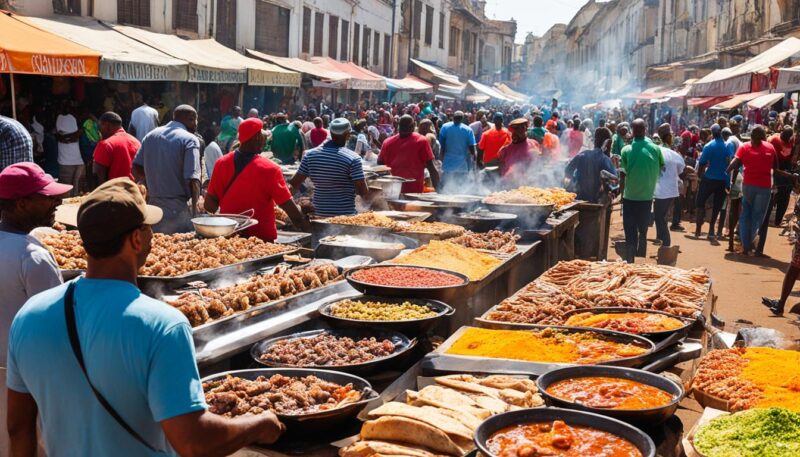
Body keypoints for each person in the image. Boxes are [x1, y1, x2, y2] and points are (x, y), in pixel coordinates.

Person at [7, 178, 285, 456]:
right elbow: (194, 441)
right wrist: (259, 424)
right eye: (148, 228)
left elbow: (18, 429)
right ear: (137, 239)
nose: (152, 235)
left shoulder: (28, 317)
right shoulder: (163, 325)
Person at [0, 163, 71, 456]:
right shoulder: (32, 256)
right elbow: (56, 329)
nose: (57, 202)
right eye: (48, 197)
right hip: (28, 380)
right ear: (21, 203)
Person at [205, 118, 309, 241]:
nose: (264, 142)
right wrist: (306, 227)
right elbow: (288, 206)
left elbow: (209, 204)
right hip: (261, 239)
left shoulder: (221, 163)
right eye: (262, 137)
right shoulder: (270, 168)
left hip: (229, 237)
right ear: (257, 138)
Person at [727, 125, 796, 256]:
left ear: (751, 136)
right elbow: (775, 168)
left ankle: (746, 246)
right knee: (757, 217)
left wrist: (727, 176)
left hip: (748, 186)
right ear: (763, 137)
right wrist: (789, 176)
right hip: (764, 187)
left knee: (745, 214)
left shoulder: (745, 147)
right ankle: (749, 245)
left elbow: (734, 164)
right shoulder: (770, 147)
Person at [132, 105, 201, 234]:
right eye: (195, 120)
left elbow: (136, 167)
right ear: (190, 119)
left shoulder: (150, 136)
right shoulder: (190, 140)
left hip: (153, 208)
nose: (196, 124)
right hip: (177, 211)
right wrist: (195, 214)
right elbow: (193, 180)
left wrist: (148, 183)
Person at [289, 118, 370, 217]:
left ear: (330, 133)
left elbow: (294, 184)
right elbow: (363, 192)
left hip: (318, 215)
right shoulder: (353, 158)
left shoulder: (309, 155)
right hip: (345, 218)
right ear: (348, 135)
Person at [619, 119, 664, 263]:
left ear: (632, 131)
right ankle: (640, 257)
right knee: (642, 228)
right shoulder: (656, 149)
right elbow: (662, 166)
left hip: (630, 197)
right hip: (646, 196)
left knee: (630, 229)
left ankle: (631, 259)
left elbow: (623, 174)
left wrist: (620, 194)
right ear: (645, 129)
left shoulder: (626, 150)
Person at [378, 115, 439, 194]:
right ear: (413, 126)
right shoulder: (421, 141)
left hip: (392, 191)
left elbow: (380, 164)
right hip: (414, 193)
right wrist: (439, 191)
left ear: (398, 126)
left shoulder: (387, 142)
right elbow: (431, 168)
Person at [695, 124, 733, 240]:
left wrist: (699, 178)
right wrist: (729, 180)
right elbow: (731, 161)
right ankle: (712, 230)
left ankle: (698, 229)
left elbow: (702, 164)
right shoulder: (728, 145)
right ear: (721, 133)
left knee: (700, 202)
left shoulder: (709, 145)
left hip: (709, 178)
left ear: (712, 133)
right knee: (717, 205)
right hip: (722, 179)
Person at [653, 123, 686, 247]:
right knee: (662, 217)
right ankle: (662, 242)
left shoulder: (656, 151)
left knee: (660, 218)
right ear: (668, 137)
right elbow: (681, 172)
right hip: (671, 191)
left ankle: (666, 244)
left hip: (660, 191)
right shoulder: (674, 154)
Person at [564, 127, 616, 204]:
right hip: (597, 203)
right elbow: (614, 183)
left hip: (578, 200)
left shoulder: (583, 154)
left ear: (595, 141)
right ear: (608, 143)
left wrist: (573, 183)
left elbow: (568, 171)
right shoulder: (605, 159)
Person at [92, 112, 140, 184]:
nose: (99, 131)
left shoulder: (105, 144)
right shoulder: (136, 142)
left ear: (107, 126)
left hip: (114, 192)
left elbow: (97, 175)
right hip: (135, 191)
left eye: (100, 126)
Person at [439, 111, 477, 192]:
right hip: (462, 167)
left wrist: (441, 159)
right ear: (462, 119)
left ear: (453, 117)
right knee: (460, 190)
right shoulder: (468, 130)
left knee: (446, 190)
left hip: (448, 165)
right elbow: (472, 149)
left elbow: (442, 145)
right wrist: (474, 160)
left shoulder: (445, 127)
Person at [768, 126, 795, 227]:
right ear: (782, 133)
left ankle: (777, 221)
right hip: (775, 169)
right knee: (773, 196)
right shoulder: (775, 140)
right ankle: (768, 219)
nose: (787, 138)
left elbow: (791, 157)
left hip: (785, 171)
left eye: (788, 136)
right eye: (785, 135)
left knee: (784, 196)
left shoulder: (791, 142)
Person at [56, 103, 84, 197]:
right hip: (76, 159)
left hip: (69, 160)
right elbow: (60, 136)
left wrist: (66, 138)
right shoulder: (62, 118)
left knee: (67, 189)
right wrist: (73, 136)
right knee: (72, 189)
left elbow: (60, 136)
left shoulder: (59, 119)